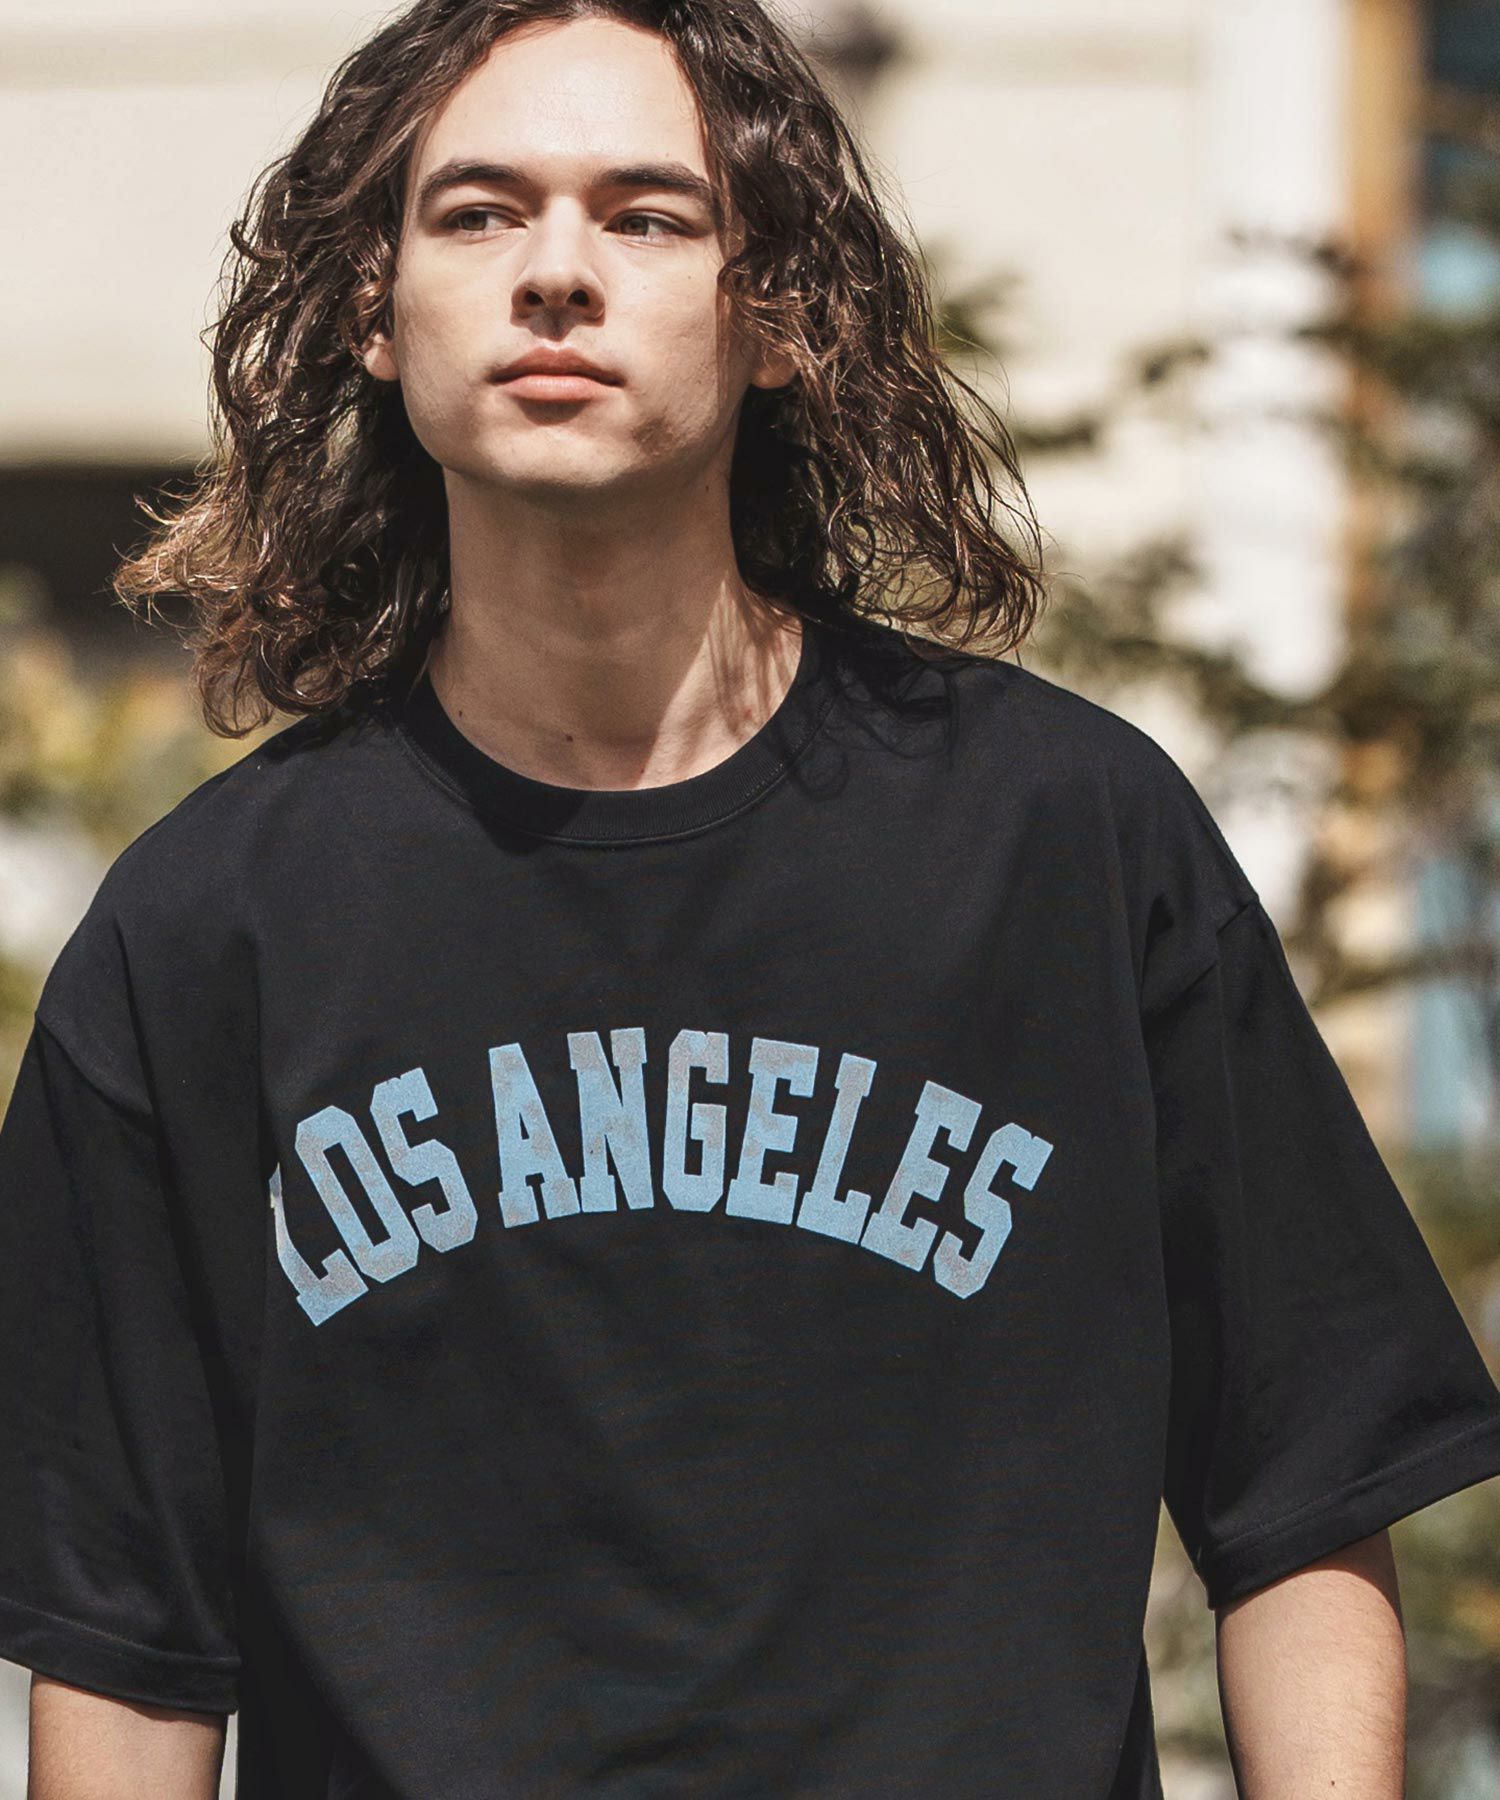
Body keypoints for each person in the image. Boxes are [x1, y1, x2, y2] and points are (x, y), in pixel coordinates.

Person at [3, 0, 1499, 1794]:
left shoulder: (1070, 844)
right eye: (479, 212)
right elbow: (125, 1641)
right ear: (374, 313)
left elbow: (1304, 1494)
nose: (558, 272)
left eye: (648, 214)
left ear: (779, 314)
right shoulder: (198, 935)